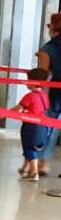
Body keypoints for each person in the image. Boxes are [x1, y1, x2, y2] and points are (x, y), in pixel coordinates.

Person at [34, 12, 61, 177]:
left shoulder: (48, 49)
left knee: (50, 127)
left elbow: (44, 74)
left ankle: (43, 163)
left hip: (56, 93)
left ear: (52, 27)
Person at [15, 68, 50, 181]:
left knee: (29, 148)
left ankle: (34, 172)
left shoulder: (29, 97)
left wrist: (2, 114)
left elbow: (18, 109)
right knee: (34, 148)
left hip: (31, 127)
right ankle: (27, 169)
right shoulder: (45, 95)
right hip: (43, 127)